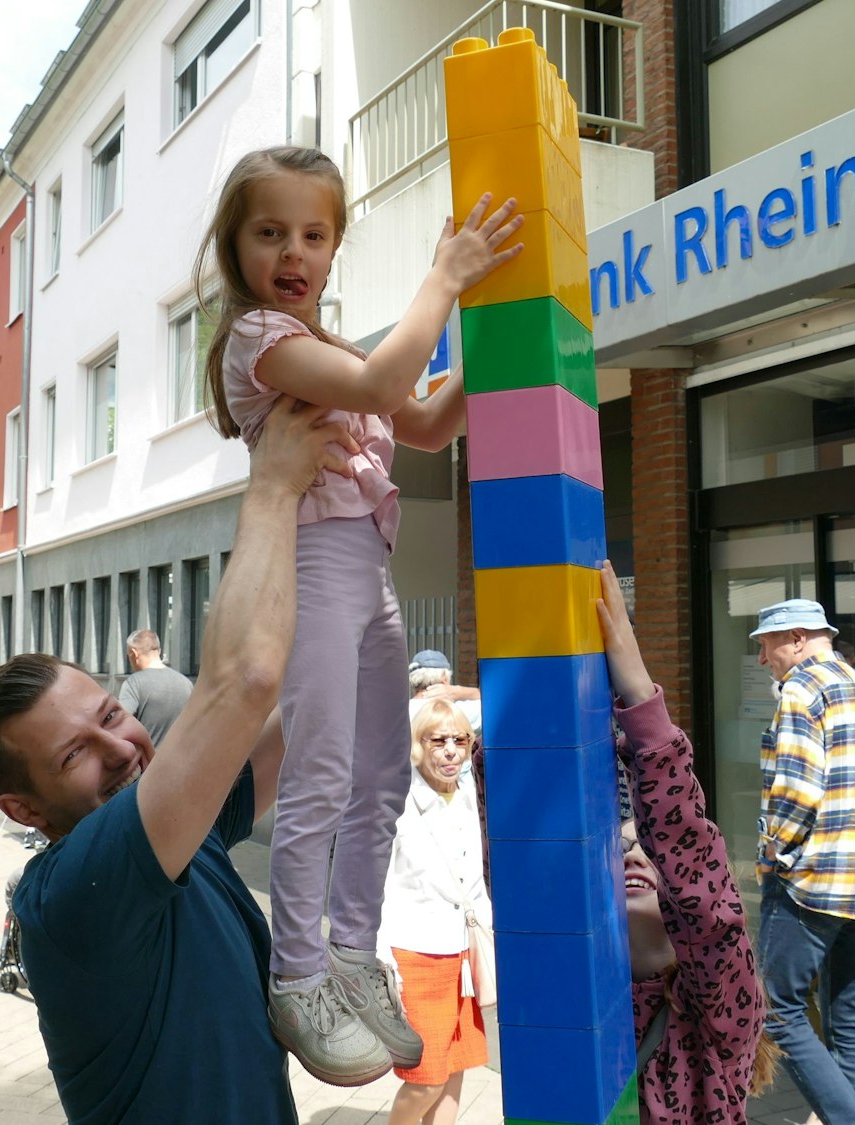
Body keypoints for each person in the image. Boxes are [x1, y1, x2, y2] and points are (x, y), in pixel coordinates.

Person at [201, 144, 518, 1081]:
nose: (293, 251)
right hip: (312, 560)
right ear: (237, 246)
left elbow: (420, 420)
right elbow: (389, 391)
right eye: (270, 232)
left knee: (386, 775)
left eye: (314, 233)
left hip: (364, 563)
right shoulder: (264, 341)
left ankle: (350, 951)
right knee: (324, 771)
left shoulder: (333, 347)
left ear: (335, 248)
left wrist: (488, 340)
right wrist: (443, 275)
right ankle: (296, 971)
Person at [0, 396, 353, 1122]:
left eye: (110, 714)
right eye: (76, 751)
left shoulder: (184, 831)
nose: (121, 748)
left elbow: (301, 718)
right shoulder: (73, 893)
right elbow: (246, 681)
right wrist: (271, 486)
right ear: (21, 808)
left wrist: (344, 559)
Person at [572, 562, 773, 1123]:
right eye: (620, 846)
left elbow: (693, 871)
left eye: (647, 846)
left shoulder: (719, 1010)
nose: (634, 853)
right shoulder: (575, 981)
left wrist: (638, 692)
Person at [751, 598, 855, 1125]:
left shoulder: (803, 689)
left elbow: (797, 790)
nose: (763, 659)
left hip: (811, 880)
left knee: (775, 1010)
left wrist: (772, 853)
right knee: (850, 1023)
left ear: (799, 638)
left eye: (766, 645)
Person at [376, 699, 491, 1125]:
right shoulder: (395, 802)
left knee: (456, 1067)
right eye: (437, 740)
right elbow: (373, 888)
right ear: (417, 746)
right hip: (415, 954)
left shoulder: (466, 794)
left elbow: (474, 879)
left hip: (462, 953)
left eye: (459, 740)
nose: (450, 750)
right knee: (426, 1076)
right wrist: (379, 956)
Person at [116, 629, 194, 744]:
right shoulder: (186, 683)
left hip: (149, 760)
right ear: (159, 651)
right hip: (182, 759)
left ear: (134, 653)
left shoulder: (134, 683)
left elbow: (120, 723)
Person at [406, 649, 481, 737]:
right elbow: (496, 704)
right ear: (444, 678)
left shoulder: (400, 711)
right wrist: (460, 691)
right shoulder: (458, 710)